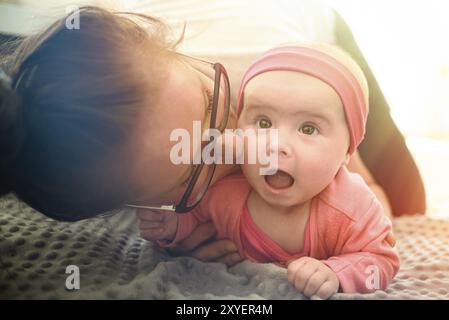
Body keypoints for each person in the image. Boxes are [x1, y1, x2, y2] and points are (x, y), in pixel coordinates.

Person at [0, 4, 424, 266]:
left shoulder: (280, 74)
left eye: (211, 104)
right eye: (190, 174)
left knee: (408, 200)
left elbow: (372, 211)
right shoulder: (99, 161)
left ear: (179, 51)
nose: (239, 146)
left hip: (319, 29)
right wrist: (177, 233)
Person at [137, 44, 400, 299]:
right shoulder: (226, 191)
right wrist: (169, 227)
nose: (276, 145)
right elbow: (194, 218)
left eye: (308, 129)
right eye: (263, 122)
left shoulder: (352, 208)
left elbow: (381, 262)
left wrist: (337, 272)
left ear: (347, 152)